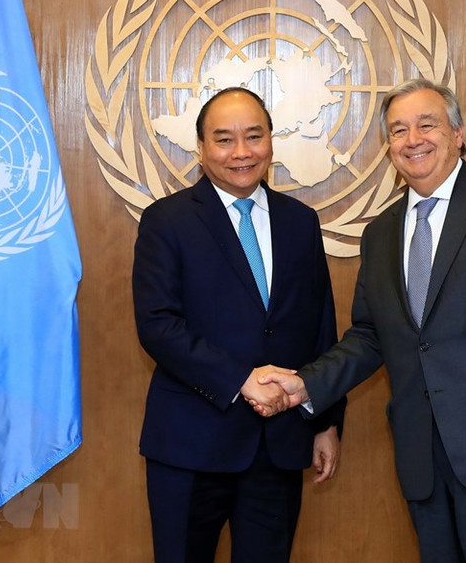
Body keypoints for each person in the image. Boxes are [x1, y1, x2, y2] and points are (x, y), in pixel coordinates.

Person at [254, 79, 466, 562]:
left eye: (426, 125)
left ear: (458, 133)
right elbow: (370, 337)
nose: (413, 140)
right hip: (422, 455)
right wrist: (305, 385)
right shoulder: (381, 232)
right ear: (390, 148)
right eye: (399, 131)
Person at [132, 87, 346, 563]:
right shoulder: (166, 221)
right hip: (191, 445)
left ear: (271, 140)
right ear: (201, 149)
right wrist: (240, 380)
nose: (242, 152)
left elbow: (320, 328)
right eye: (224, 139)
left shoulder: (301, 221)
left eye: (254, 136)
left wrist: (326, 421)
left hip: (279, 446)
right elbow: (157, 325)